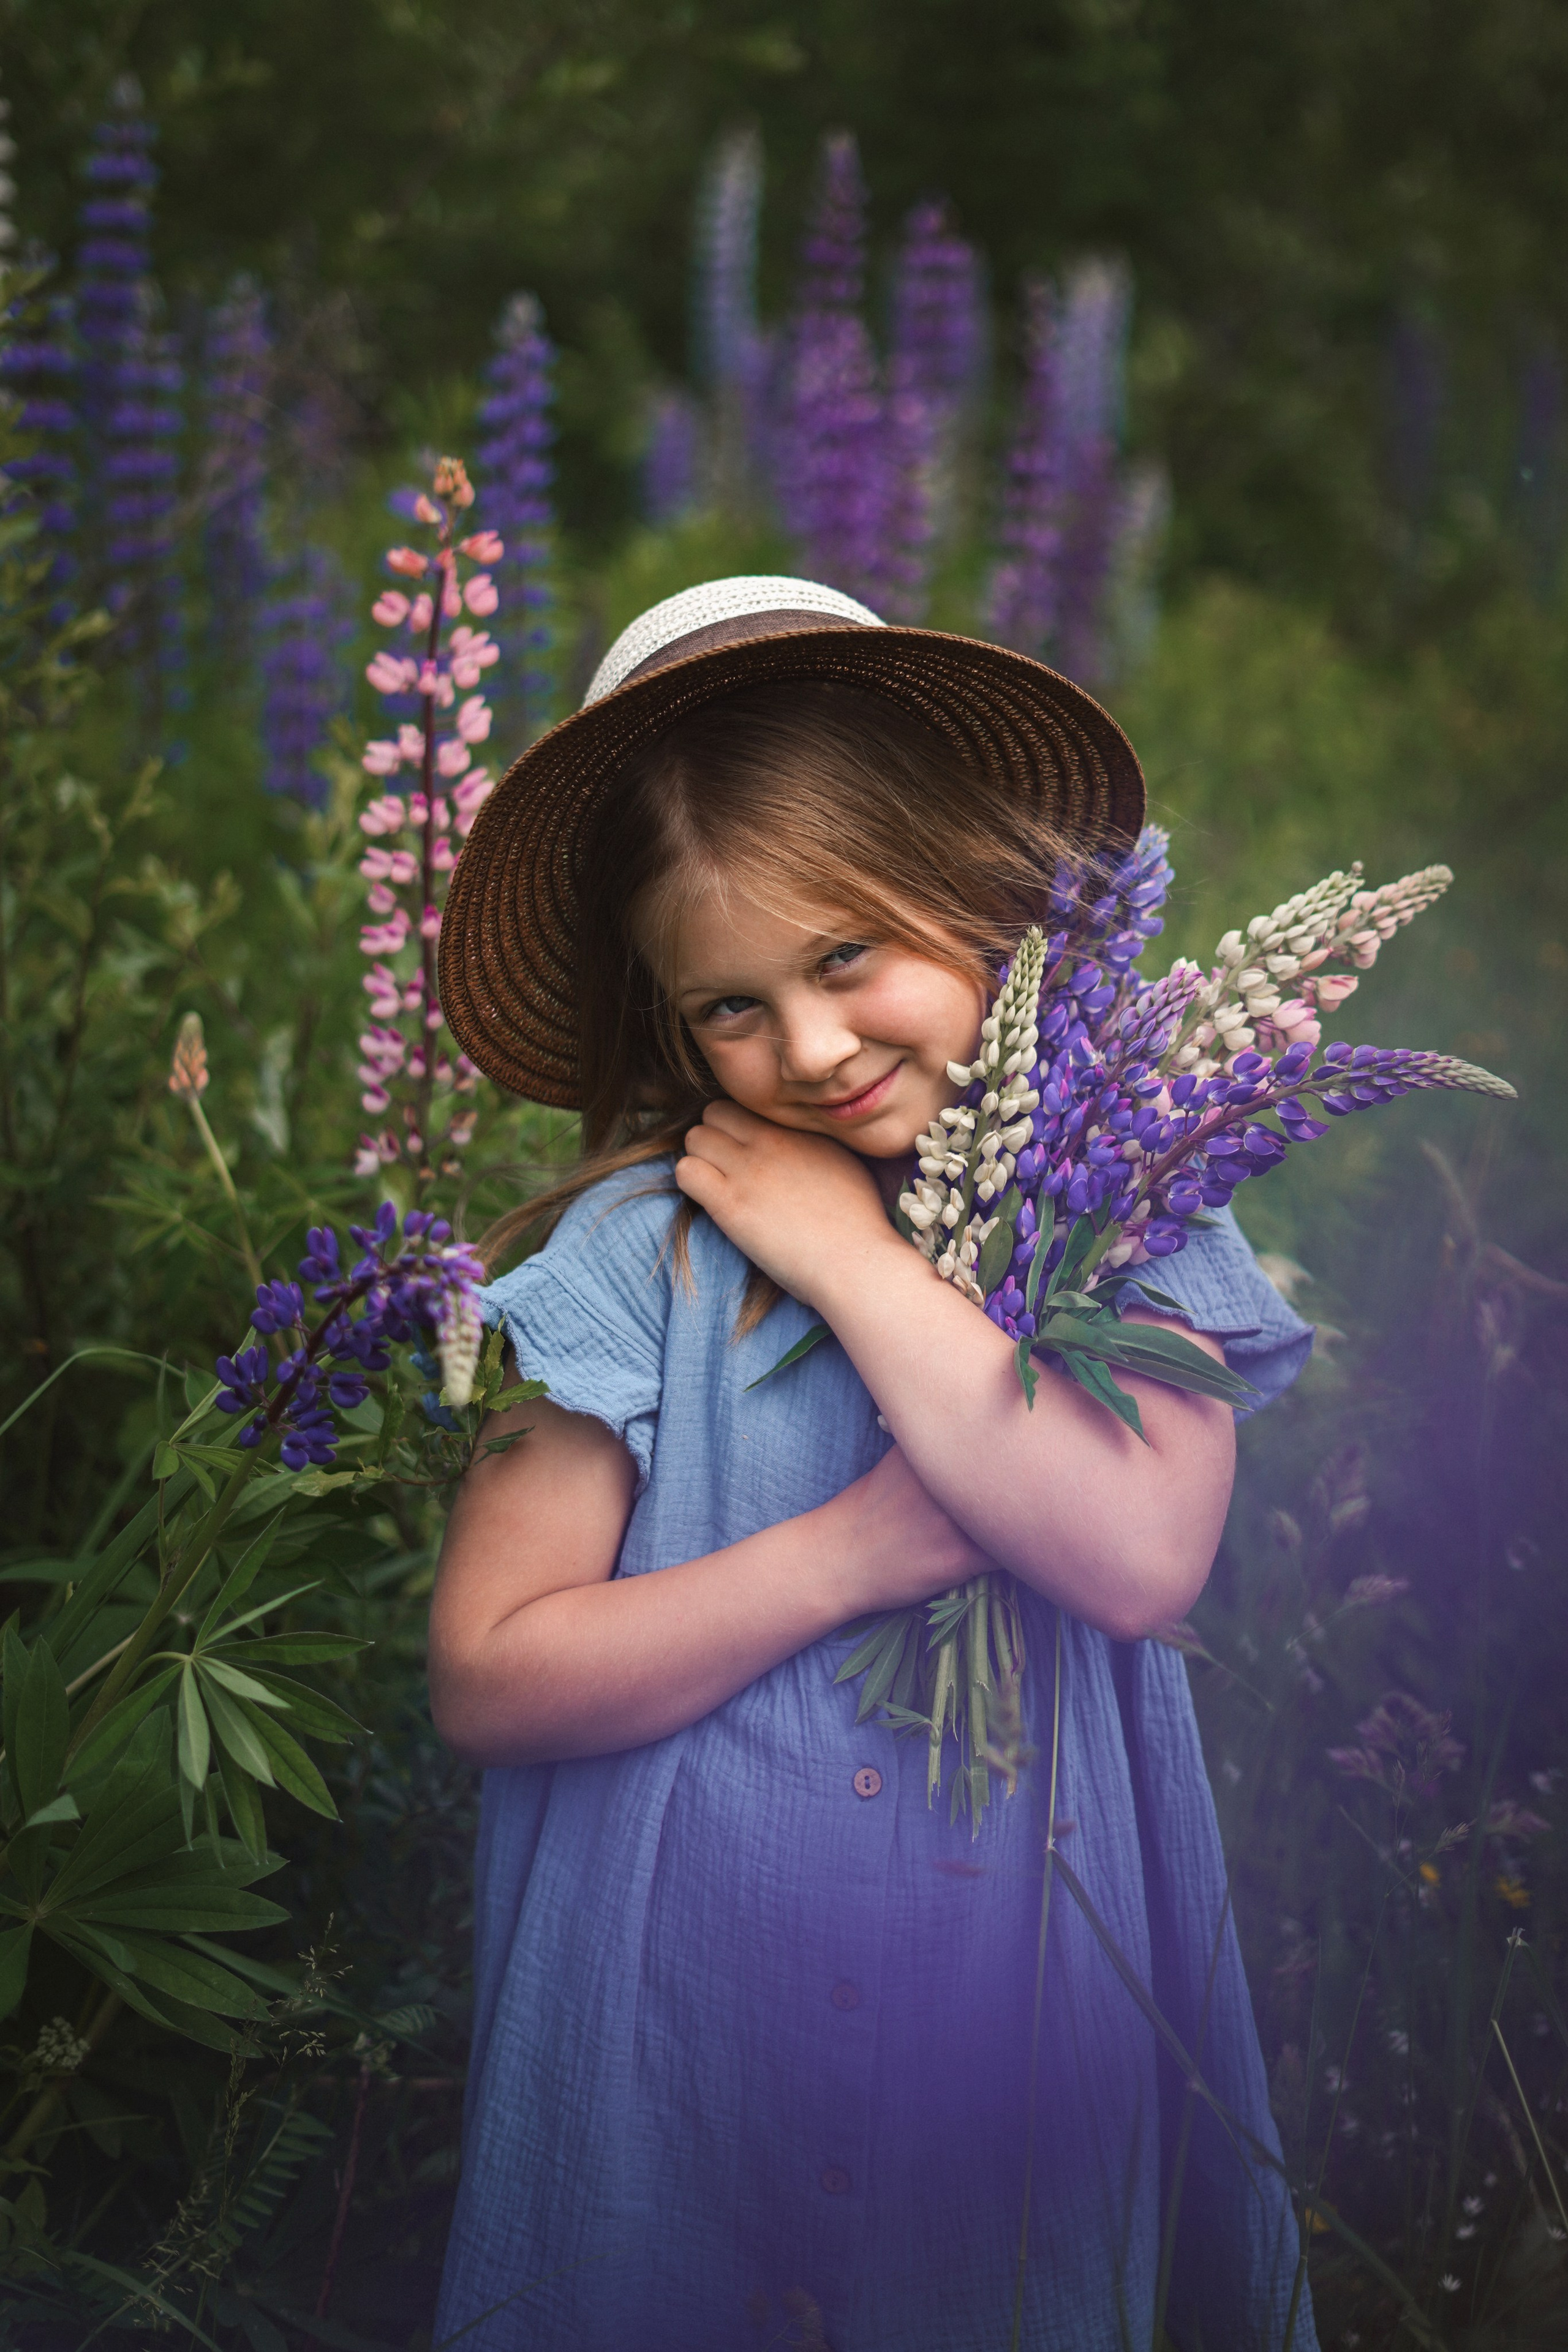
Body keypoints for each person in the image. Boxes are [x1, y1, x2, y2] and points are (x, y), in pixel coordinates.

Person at [429, 577, 1319, 2352]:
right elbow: (488, 1673)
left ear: (977, 890)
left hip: (1018, 2021)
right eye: (730, 1008)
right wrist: (852, 1553)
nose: (814, 1048)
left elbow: (1142, 1556)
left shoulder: (1123, 1206)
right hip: (683, 2034)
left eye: (847, 956)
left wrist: (850, 1260)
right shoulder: (634, 1260)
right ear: (669, 1028)